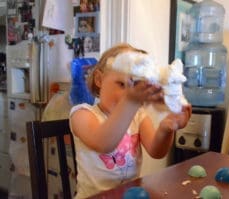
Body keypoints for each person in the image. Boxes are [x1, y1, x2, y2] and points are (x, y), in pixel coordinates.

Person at [69, 43, 192, 199]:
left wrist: (166, 128)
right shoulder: (82, 114)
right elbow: (103, 143)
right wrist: (131, 101)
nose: (127, 94)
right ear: (99, 79)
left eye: (135, 86)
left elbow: (157, 151)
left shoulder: (138, 115)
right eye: (122, 84)